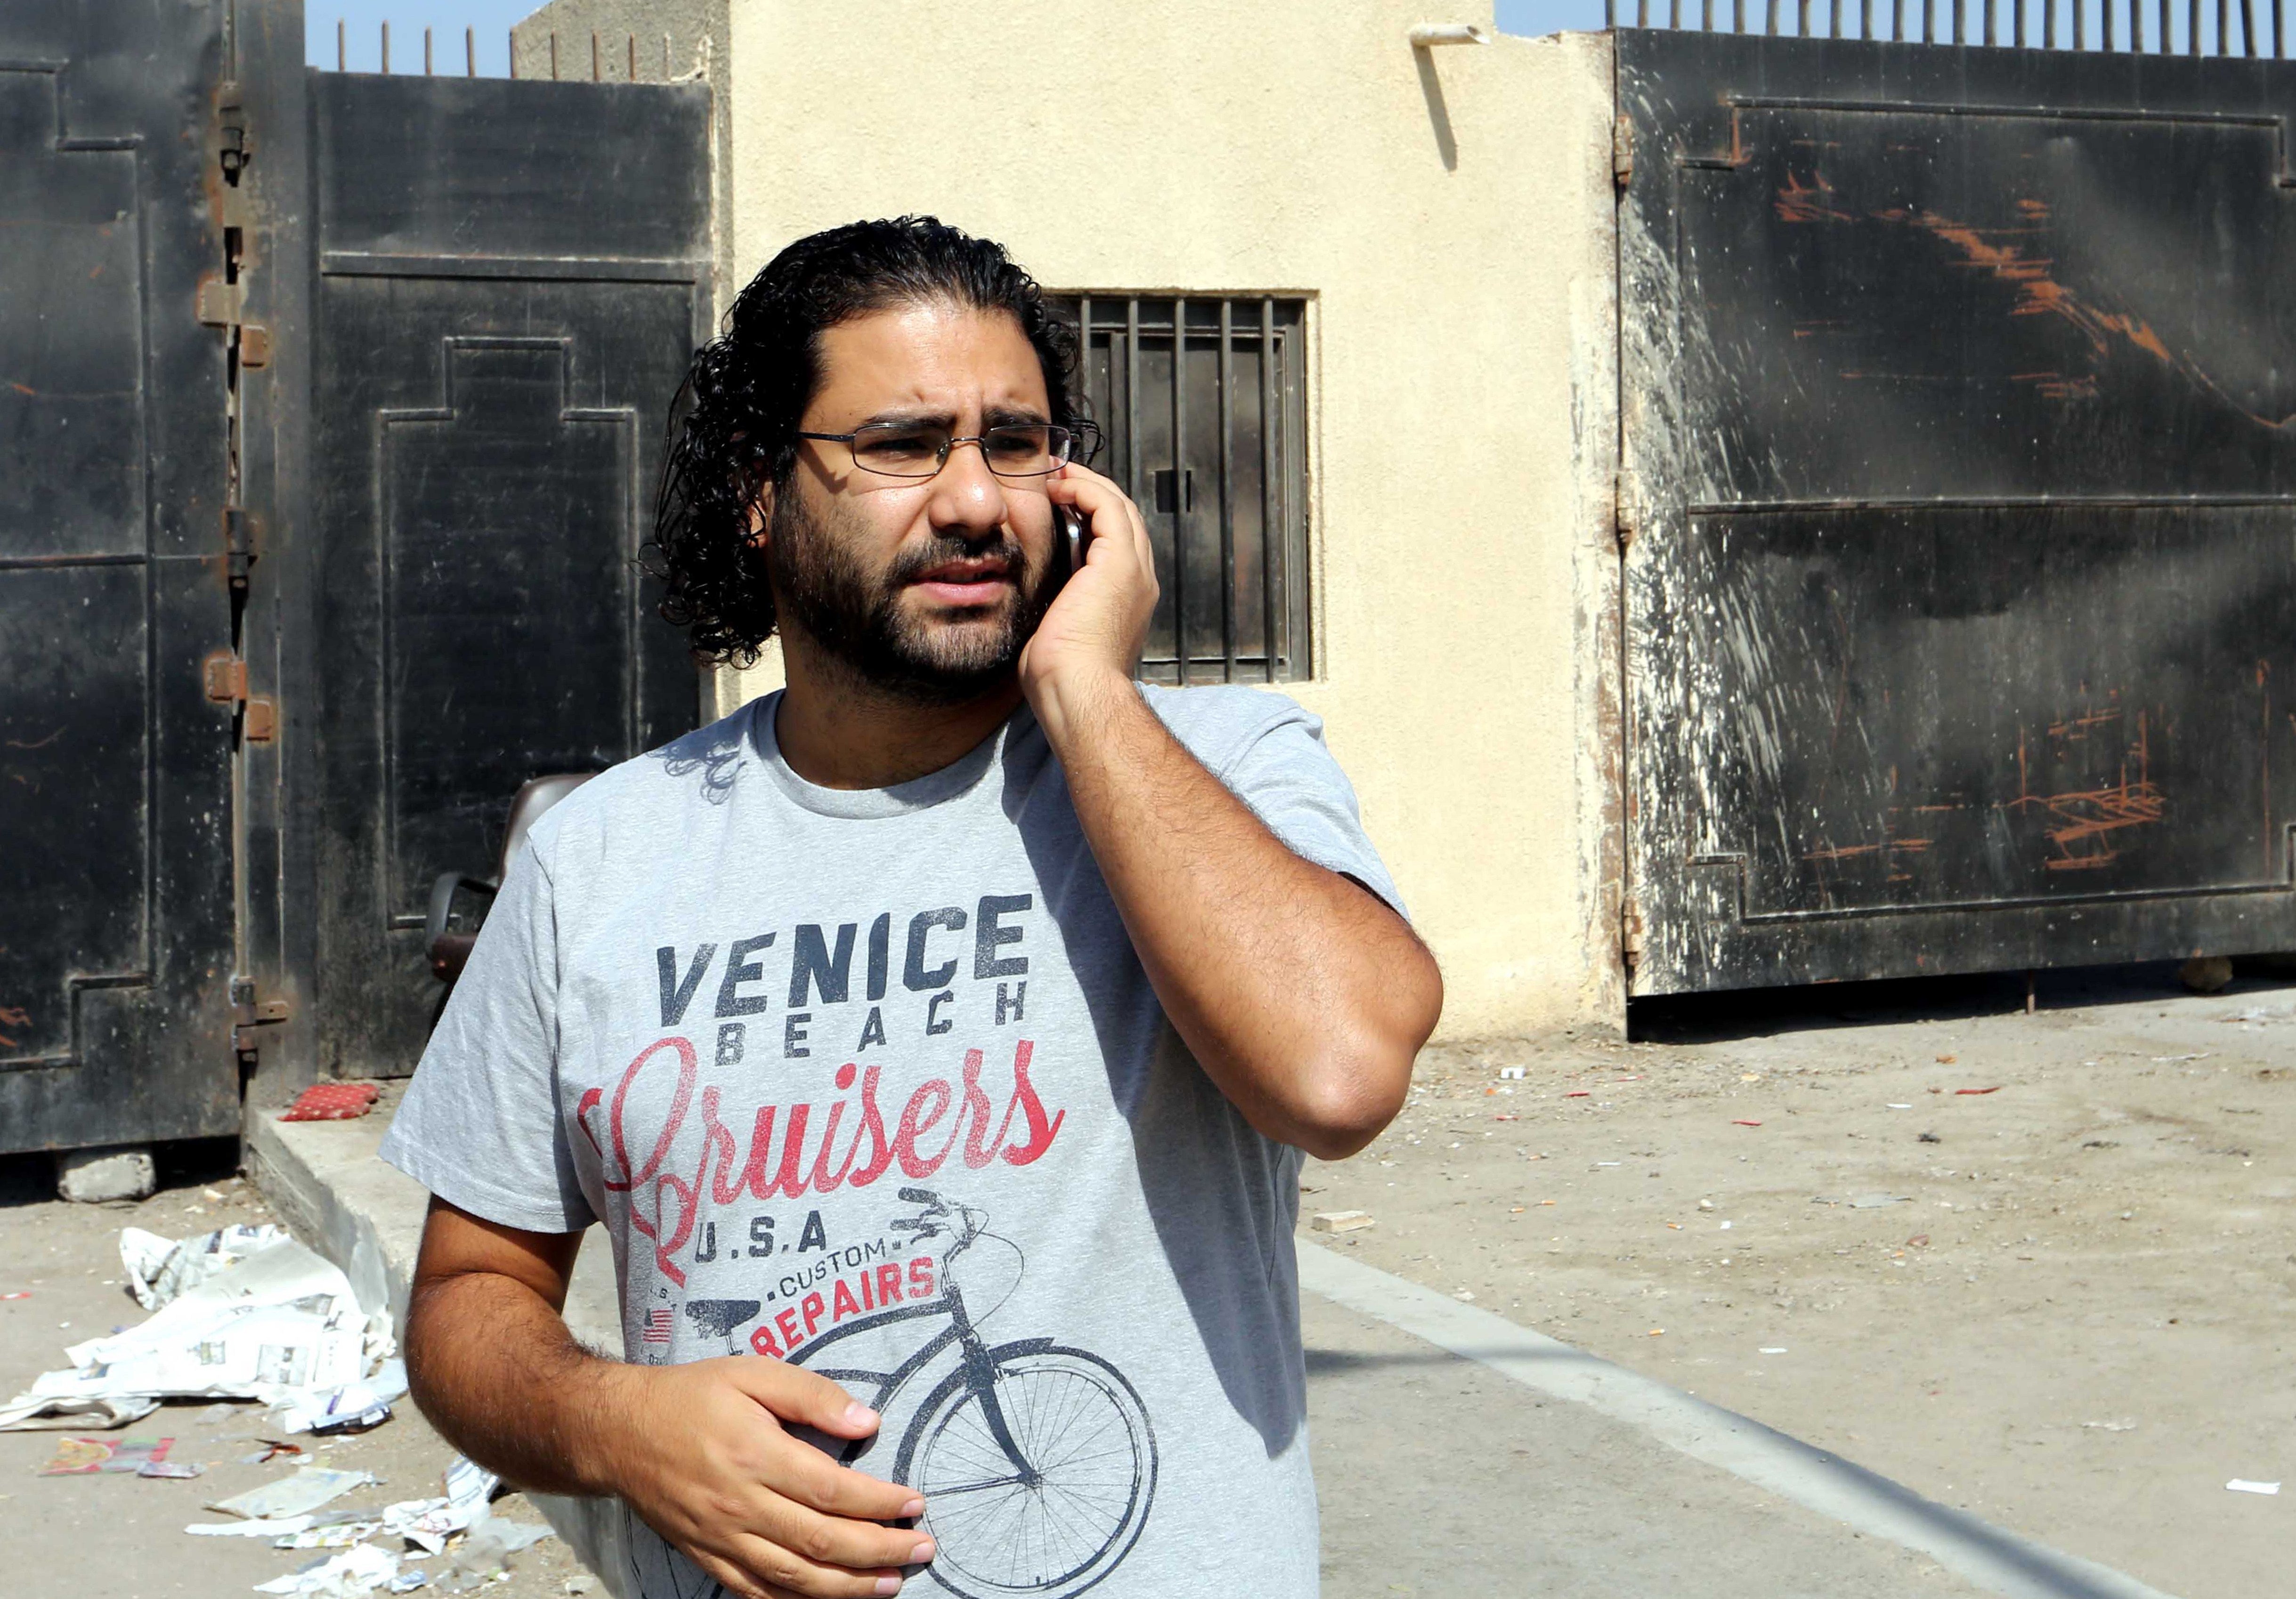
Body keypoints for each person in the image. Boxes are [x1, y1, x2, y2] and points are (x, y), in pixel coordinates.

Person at [381, 216, 1443, 1599]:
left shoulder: (1217, 771)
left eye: (1016, 442)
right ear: (760, 493)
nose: (972, 500)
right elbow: (469, 1299)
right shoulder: (599, 858)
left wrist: (1085, 692)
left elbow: (1340, 1069)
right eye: (899, 444)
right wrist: (614, 1423)